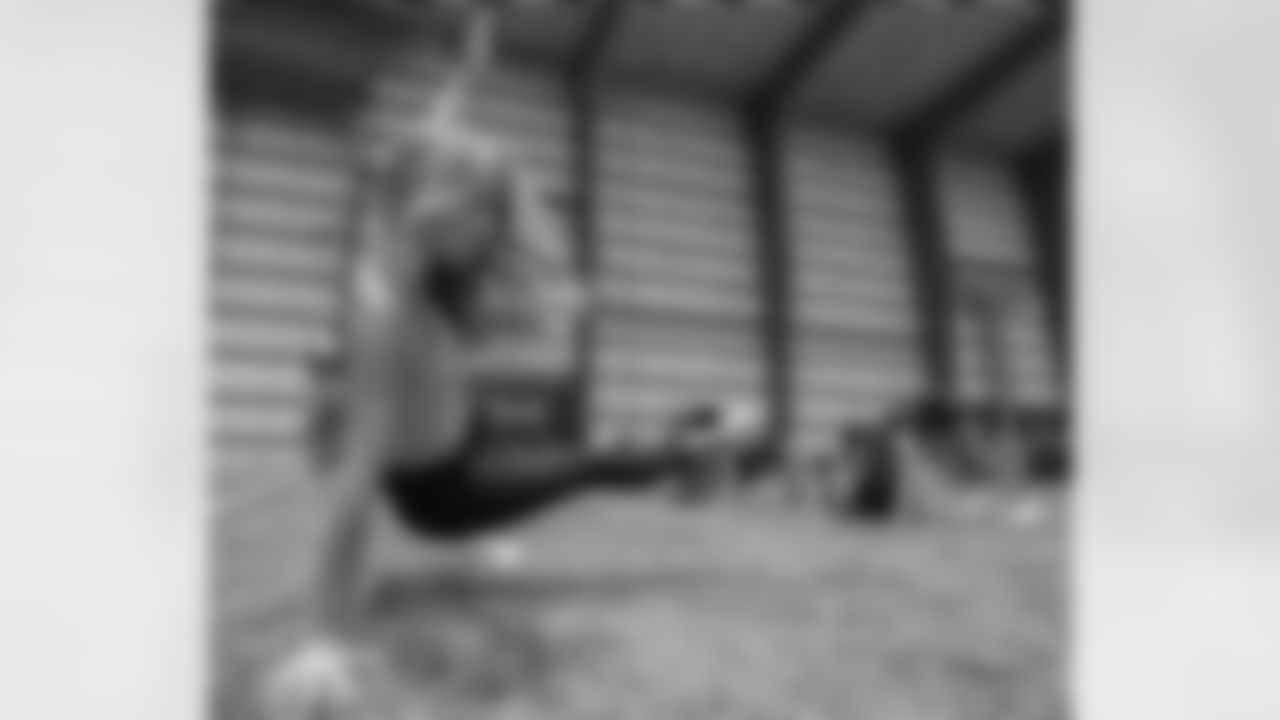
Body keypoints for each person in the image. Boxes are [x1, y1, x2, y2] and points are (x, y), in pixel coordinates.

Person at [262, 9, 666, 717]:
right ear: (432, 205)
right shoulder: (384, 310)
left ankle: (494, 506)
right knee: (592, 461)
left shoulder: (409, 214)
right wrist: (325, 636)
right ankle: (699, 455)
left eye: (491, 214)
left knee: (488, 330)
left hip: (465, 422)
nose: (488, 232)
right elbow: (355, 487)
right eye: (479, 214)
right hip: (445, 492)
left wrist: (470, 68)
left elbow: (440, 125)